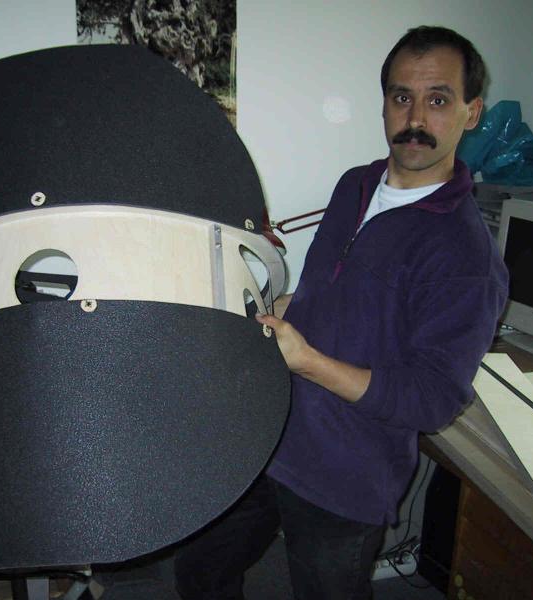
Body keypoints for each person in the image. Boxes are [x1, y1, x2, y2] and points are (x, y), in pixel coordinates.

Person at [174, 25, 509, 600]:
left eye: (438, 100)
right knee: (200, 572)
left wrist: (305, 360)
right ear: (384, 104)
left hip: (346, 477)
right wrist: (293, 306)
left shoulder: (467, 258)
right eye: (402, 97)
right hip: (270, 436)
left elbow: (432, 400)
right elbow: (338, 292)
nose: (415, 119)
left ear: (471, 112)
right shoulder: (355, 184)